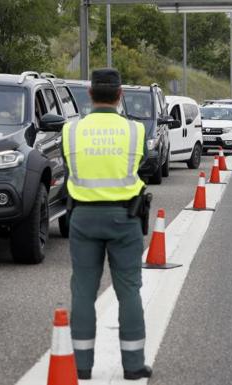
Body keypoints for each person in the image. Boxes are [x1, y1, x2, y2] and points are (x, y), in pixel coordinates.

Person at [62, 68, 152, 381]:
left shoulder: (70, 130)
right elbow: (139, 164)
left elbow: (69, 166)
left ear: (89, 93)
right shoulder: (135, 131)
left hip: (83, 218)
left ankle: (82, 367)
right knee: (129, 291)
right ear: (120, 95)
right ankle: (133, 366)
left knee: (83, 291)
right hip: (125, 219)